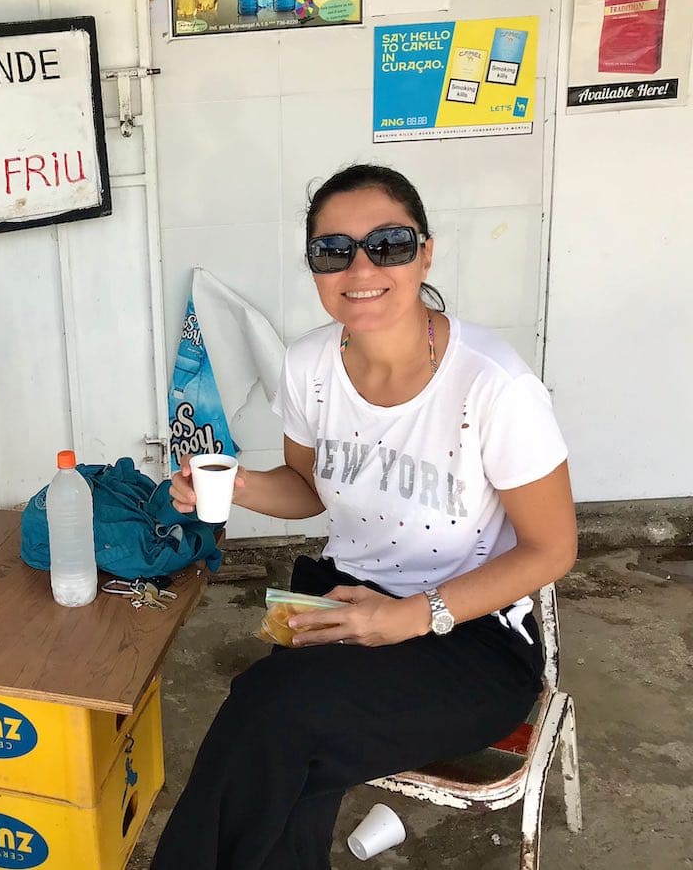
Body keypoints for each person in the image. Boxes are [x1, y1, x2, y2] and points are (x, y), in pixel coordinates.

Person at [151, 164, 577, 869]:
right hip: (344, 605)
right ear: (314, 266)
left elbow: (553, 548)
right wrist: (234, 485)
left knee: (268, 713)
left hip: (469, 637)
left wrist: (412, 615)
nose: (361, 267)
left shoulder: (494, 386)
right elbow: (307, 486)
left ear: (425, 252)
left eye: (387, 243)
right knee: (290, 762)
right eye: (333, 250)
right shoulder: (310, 366)